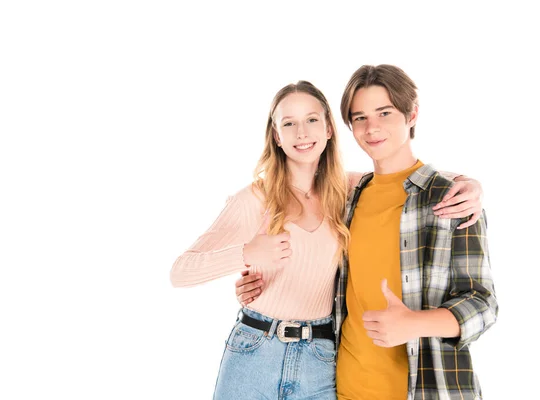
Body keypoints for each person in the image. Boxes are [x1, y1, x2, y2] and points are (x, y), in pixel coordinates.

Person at [172, 79, 484, 399]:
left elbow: (411, 178)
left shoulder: (348, 190)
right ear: (277, 136)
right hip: (254, 351)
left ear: (329, 129)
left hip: (319, 358)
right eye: (289, 123)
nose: (302, 133)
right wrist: (247, 253)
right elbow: (180, 272)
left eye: (311, 120)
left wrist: (469, 183)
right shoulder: (254, 199)